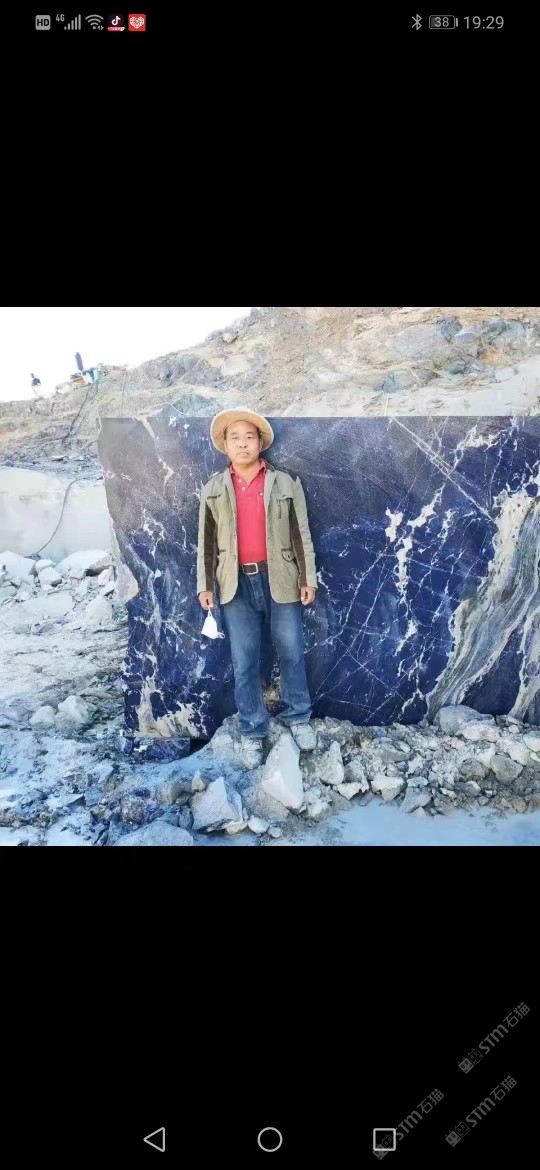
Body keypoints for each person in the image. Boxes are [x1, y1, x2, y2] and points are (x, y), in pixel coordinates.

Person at [197, 408, 318, 767]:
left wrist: (307, 578)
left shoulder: (284, 484)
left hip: (281, 578)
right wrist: (205, 585)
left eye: (249, 437)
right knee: (244, 661)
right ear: (225, 445)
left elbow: (301, 534)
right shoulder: (213, 489)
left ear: (260, 443)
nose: (242, 444)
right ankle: (252, 729)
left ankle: (298, 716)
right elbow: (205, 543)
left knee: (292, 650)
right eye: (235, 438)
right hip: (234, 584)